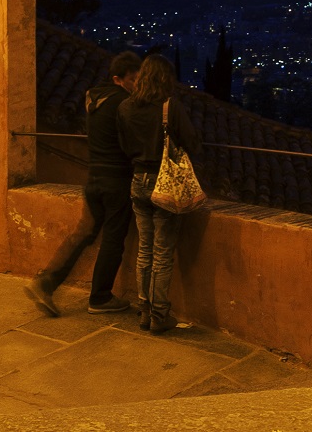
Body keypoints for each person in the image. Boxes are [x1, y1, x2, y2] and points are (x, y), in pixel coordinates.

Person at [26, 50, 142, 316]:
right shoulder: (124, 103)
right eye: (133, 79)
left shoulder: (94, 100)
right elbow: (133, 143)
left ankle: (46, 282)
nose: (137, 85)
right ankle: (100, 297)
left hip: (94, 178)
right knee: (113, 238)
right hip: (116, 180)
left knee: (84, 233)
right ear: (118, 79)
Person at [117, 54, 200, 333]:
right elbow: (192, 141)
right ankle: (159, 315)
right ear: (165, 79)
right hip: (163, 183)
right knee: (162, 253)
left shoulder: (125, 106)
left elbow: (124, 145)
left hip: (137, 180)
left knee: (145, 248)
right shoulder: (169, 107)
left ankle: (144, 310)